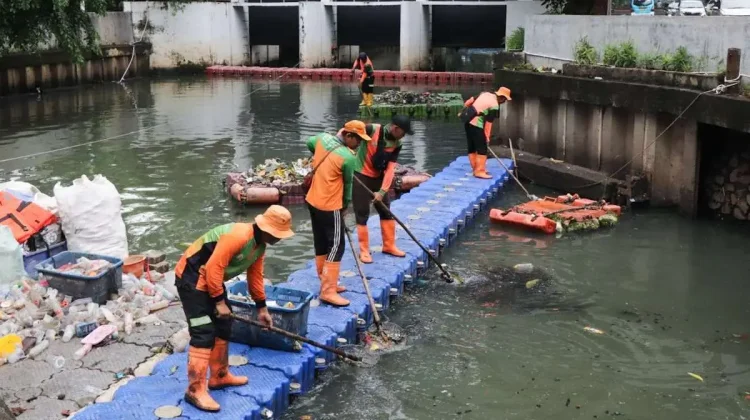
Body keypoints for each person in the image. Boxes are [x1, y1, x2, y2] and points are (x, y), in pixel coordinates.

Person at [174, 205, 295, 412]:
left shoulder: (259, 246)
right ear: (266, 229)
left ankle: (219, 375)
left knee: (224, 323)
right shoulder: (239, 235)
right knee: (203, 331)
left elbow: (255, 277)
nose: (279, 238)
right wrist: (219, 302)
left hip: (210, 279)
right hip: (192, 278)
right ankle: (195, 390)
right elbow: (213, 267)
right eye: (278, 234)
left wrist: (262, 308)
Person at [306, 120, 371, 307]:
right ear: (348, 135)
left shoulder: (322, 139)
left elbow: (309, 143)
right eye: (358, 140)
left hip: (312, 201)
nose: (359, 144)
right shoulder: (347, 157)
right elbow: (348, 184)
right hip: (329, 205)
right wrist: (344, 206)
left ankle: (325, 280)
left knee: (321, 242)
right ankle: (328, 291)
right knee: (337, 245)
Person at [352, 115, 414, 263]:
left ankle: (389, 245)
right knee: (362, 213)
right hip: (361, 175)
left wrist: (382, 191)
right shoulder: (371, 129)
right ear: (395, 128)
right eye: (403, 132)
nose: (404, 136)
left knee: (386, 211)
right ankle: (364, 250)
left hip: (379, 177)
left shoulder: (397, 144)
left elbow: (390, 169)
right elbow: (348, 131)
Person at [461, 87, 512, 179]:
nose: (504, 102)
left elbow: (469, 101)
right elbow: (489, 123)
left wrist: (465, 111)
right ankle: (479, 171)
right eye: (505, 100)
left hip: (467, 121)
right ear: (502, 97)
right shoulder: (494, 105)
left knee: (472, 146)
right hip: (476, 123)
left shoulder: (485, 94)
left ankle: (475, 168)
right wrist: (487, 137)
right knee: (482, 148)